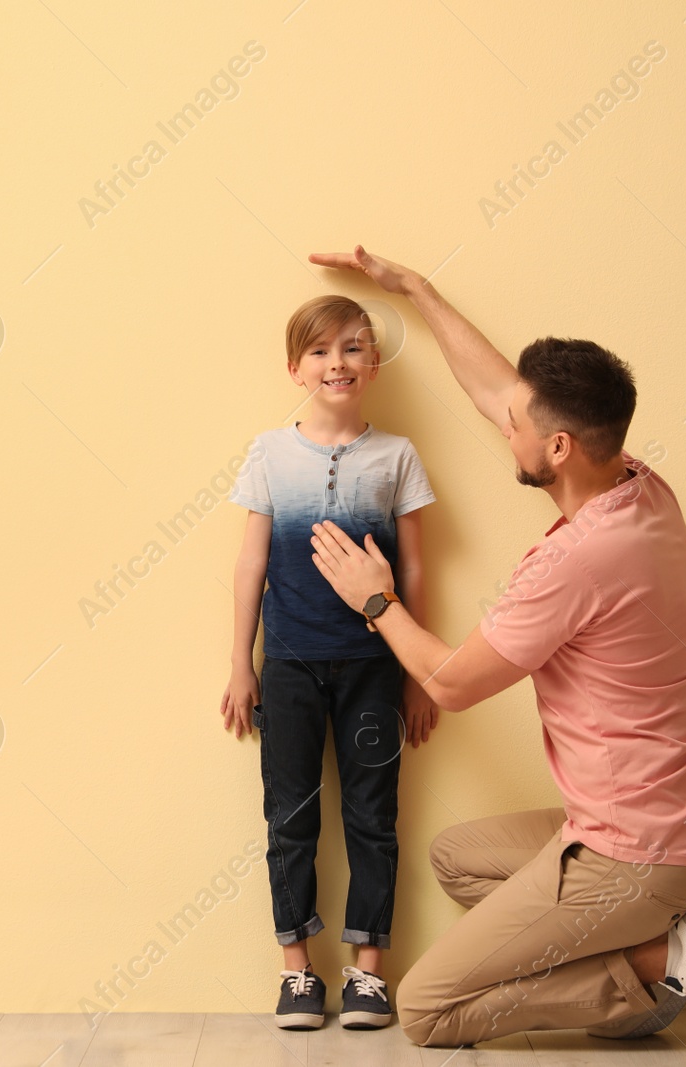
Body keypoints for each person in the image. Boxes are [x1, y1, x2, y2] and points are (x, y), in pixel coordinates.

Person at [300, 246, 686, 1058]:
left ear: (556, 450)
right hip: (683, 835)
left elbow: (449, 682)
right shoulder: (641, 486)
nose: (501, 423)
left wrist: (374, 599)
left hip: (637, 856)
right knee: (459, 858)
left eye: (517, 425)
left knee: (431, 1008)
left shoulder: (575, 562)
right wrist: (415, 290)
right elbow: (499, 390)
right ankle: (648, 971)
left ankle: (669, 961)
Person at [220, 294, 438, 1030]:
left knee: (373, 817)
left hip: (375, 666)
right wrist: (240, 664)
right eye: (319, 350)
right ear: (294, 369)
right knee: (291, 818)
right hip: (286, 665)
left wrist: (418, 673)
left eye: (351, 347)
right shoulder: (269, 453)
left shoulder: (398, 455)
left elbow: (415, 567)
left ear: (373, 363)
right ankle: (297, 971)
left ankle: (368, 973)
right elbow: (250, 563)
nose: (336, 362)